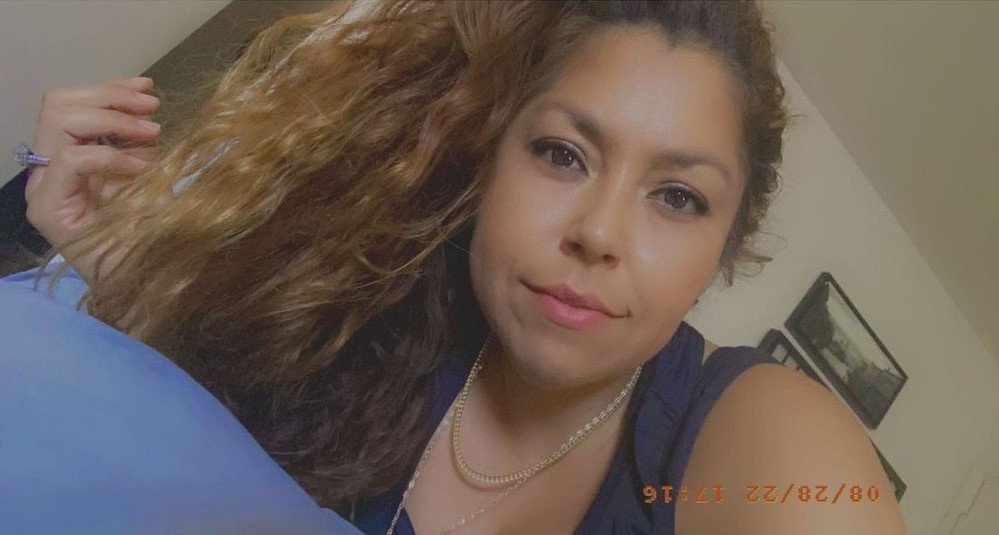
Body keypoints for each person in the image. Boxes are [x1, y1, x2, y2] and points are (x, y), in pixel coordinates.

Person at [6, 0, 907, 533]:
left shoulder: (754, 438)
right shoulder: (360, 300)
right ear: (489, 159)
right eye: (560, 153)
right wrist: (119, 263)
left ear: (724, 247)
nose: (598, 232)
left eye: (677, 197)